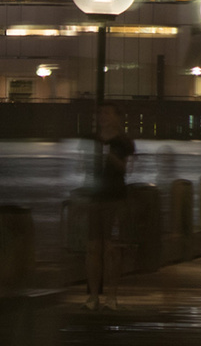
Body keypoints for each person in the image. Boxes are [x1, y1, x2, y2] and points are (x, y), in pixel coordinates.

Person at [85, 105, 135, 310]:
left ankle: (111, 296)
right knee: (92, 248)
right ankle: (92, 296)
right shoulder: (93, 141)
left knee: (111, 248)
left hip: (115, 198)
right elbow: (85, 165)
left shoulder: (124, 142)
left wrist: (109, 155)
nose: (102, 116)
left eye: (107, 113)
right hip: (95, 197)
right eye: (100, 113)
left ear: (117, 117)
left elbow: (127, 168)